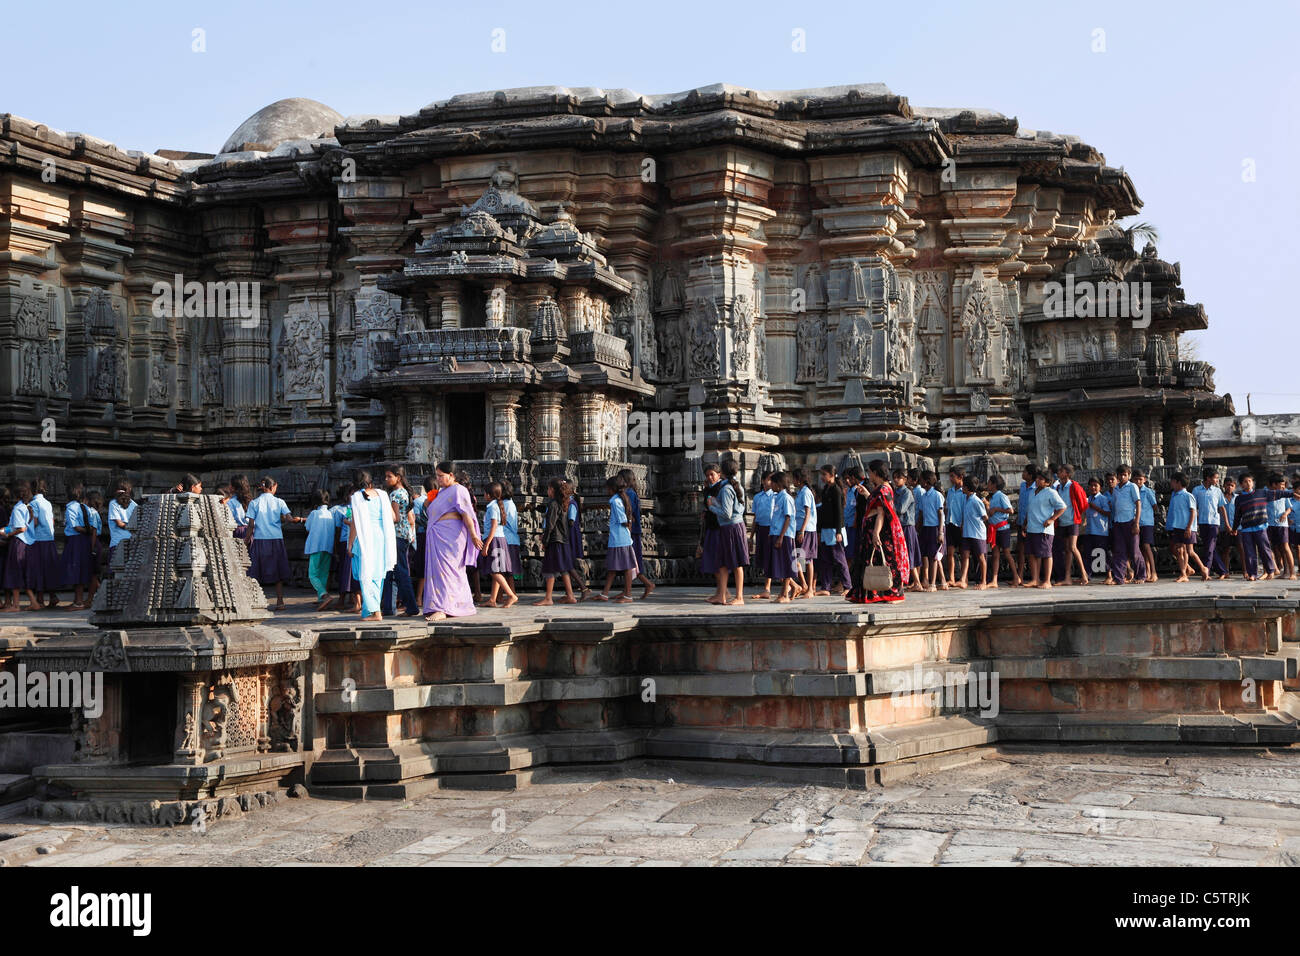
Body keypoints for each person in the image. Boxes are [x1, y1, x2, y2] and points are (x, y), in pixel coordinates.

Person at [424, 462, 482, 620]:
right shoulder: (442, 492)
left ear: (451, 475)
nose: (438, 479)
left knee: (450, 570)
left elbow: (467, 515)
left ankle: (445, 608)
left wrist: (474, 535)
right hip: (438, 533)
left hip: (452, 536)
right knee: (438, 571)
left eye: (441, 476)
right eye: (437, 476)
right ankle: (440, 605)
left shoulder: (459, 490)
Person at [846, 459, 909, 603]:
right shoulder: (880, 488)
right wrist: (867, 494)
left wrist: (875, 533)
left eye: (869, 472)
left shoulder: (884, 489)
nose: (868, 475)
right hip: (872, 530)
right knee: (872, 561)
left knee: (886, 561)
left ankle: (894, 593)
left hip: (880, 532)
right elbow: (876, 505)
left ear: (875, 473)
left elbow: (881, 513)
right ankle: (871, 592)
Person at [246, 476, 304, 610]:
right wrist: (300, 519)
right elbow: (289, 519)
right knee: (278, 570)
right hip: (276, 538)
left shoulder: (254, 503)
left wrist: (246, 540)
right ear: (272, 487)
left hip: (260, 539)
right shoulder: (279, 502)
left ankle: (256, 601)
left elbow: (250, 525)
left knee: (257, 570)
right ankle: (280, 601)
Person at [348, 471, 397, 621]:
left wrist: (350, 543)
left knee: (364, 574)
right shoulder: (382, 494)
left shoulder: (356, 497)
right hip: (381, 537)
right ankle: (370, 611)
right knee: (377, 575)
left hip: (365, 537)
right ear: (371, 483)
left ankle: (375, 612)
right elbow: (394, 517)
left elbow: (355, 523)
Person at [381, 466, 420, 616]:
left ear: (398, 477)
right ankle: (388, 608)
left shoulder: (395, 495)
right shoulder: (405, 492)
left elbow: (395, 518)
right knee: (391, 572)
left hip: (396, 535)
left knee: (401, 572)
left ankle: (412, 607)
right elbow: (410, 518)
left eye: (389, 476)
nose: (386, 479)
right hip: (404, 535)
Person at [596, 475, 638, 604]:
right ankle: (605, 593)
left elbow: (623, 519)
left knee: (626, 568)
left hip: (620, 539)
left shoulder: (615, 501)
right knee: (612, 568)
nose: (606, 491)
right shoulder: (620, 499)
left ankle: (628, 595)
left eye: (608, 489)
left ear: (612, 489)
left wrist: (627, 523)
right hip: (619, 538)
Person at [0, 481, 40, 612]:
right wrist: (4, 530)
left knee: (14, 572)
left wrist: (9, 534)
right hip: (28, 544)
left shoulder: (18, 508)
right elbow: (24, 524)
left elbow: (21, 528)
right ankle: (34, 602)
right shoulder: (27, 507)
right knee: (22, 573)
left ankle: (15, 605)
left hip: (18, 543)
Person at [478, 481, 519, 608]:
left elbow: (494, 526)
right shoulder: (496, 505)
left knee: (493, 570)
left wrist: (486, 545)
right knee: (496, 569)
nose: (483, 495)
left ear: (489, 495)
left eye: (485, 493)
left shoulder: (492, 507)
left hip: (494, 539)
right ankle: (492, 599)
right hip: (499, 539)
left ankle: (511, 595)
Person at [1023, 470, 1067, 589]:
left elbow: (1062, 507)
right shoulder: (1032, 492)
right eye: (1037, 478)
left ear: (1047, 482)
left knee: (1046, 554)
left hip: (1044, 529)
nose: (1037, 480)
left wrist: (1052, 519)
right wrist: (1025, 523)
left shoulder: (1051, 492)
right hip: (1032, 527)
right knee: (1032, 554)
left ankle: (1047, 580)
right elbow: (1030, 509)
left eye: (1041, 479)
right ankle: (1035, 579)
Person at [617, 468, 655, 599]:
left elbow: (629, 513)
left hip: (631, 531)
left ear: (625, 480)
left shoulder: (630, 494)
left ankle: (641, 586)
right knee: (629, 561)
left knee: (631, 561)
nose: (618, 481)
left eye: (620, 478)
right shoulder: (628, 493)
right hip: (630, 530)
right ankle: (629, 589)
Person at [538, 478, 576, 606]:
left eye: (548, 488)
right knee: (563, 568)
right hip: (563, 539)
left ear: (552, 490)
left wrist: (545, 540)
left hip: (555, 540)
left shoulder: (553, 504)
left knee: (550, 569)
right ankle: (570, 595)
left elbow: (550, 525)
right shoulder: (563, 502)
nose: (547, 491)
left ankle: (548, 598)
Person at [1165, 472, 1209, 582]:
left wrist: (1189, 527)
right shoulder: (1174, 496)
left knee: (1190, 551)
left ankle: (1203, 568)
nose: (1171, 484)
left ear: (1178, 482)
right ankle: (1183, 573)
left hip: (1187, 527)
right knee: (1180, 550)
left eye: (1173, 482)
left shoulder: (1188, 496)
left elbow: (1193, 512)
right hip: (1177, 526)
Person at [815, 465, 850, 596]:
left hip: (835, 529)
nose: (822, 478)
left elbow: (839, 512)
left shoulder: (836, 490)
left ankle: (847, 585)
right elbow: (823, 512)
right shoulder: (825, 490)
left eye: (824, 474)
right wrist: (819, 531)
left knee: (839, 559)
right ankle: (826, 586)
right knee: (825, 560)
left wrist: (838, 531)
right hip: (825, 529)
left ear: (831, 474)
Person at [1052, 464, 1090, 586]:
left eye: (1061, 471)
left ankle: (1084, 574)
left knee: (1073, 547)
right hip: (1063, 521)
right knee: (1067, 550)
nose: (1059, 472)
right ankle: (1067, 577)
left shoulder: (1074, 486)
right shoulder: (1058, 487)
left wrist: (1083, 518)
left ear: (1067, 474)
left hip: (1073, 521)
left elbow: (1083, 503)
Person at [62, 480, 97, 609]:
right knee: (80, 570)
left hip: (75, 541)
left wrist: (85, 531)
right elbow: (92, 526)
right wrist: (88, 532)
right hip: (84, 541)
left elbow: (75, 527)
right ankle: (78, 600)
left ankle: (79, 601)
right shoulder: (85, 507)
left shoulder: (70, 507)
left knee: (75, 570)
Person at [1108, 465, 1144, 585]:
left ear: (1129, 476)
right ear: (1117, 476)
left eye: (1125, 475)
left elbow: (1138, 504)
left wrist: (1137, 522)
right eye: (1120, 475)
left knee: (1134, 551)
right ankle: (1119, 578)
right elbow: (1113, 505)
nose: (1122, 477)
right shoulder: (1116, 489)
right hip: (1118, 522)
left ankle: (1141, 575)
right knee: (1119, 551)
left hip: (1130, 522)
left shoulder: (1132, 486)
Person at [766, 471, 798, 603]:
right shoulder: (777, 497)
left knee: (786, 564)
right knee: (779, 564)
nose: (770, 485)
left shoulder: (786, 498)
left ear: (778, 484)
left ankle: (785, 594)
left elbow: (788, 518)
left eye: (772, 482)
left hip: (784, 536)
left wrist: (780, 536)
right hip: (776, 533)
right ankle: (784, 592)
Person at [28, 479, 59, 609]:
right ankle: (53, 596)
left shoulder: (33, 503)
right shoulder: (47, 503)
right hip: (49, 539)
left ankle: (40, 599)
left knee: (39, 569)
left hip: (39, 540)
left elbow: (34, 522)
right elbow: (51, 521)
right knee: (49, 568)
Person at [303, 488, 336, 610]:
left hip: (316, 547)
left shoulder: (314, 513)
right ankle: (321, 598)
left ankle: (324, 594)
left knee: (312, 575)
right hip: (328, 547)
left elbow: (307, 527)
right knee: (323, 574)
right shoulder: (331, 514)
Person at [697, 463, 725, 599]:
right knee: (713, 561)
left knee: (718, 561)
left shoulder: (722, 488)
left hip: (719, 527)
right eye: (707, 475)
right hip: (711, 526)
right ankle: (721, 591)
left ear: (719, 475)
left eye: (712, 474)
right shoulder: (710, 488)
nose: (709, 477)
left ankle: (722, 592)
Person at [1193, 468, 1227, 578]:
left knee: (1209, 547)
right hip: (1202, 522)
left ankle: (1206, 569)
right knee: (1209, 548)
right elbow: (1194, 507)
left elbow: (1222, 508)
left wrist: (1227, 523)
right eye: (1215, 478)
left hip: (1214, 522)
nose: (1217, 480)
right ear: (1208, 478)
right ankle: (1222, 571)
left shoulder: (1217, 491)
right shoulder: (1197, 490)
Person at [916, 470, 947, 591]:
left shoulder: (937, 495)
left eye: (922, 480)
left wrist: (940, 532)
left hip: (935, 527)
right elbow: (921, 514)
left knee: (934, 556)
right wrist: (918, 529)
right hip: (926, 527)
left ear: (926, 481)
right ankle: (928, 580)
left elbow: (940, 513)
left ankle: (933, 583)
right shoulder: (924, 496)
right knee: (926, 555)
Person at [956, 475, 990, 589]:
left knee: (981, 557)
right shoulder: (966, 499)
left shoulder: (976, 501)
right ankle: (963, 579)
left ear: (967, 487)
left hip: (977, 533)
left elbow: (985, 517)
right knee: (965, 555)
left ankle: (984, 581)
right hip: (967, 532)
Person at [891, 469, 922, 592]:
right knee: (900, 555)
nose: (896, 480)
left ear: (904, 479)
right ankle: (906, 582)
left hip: (907, 526)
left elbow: (900, 509)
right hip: (899, 526)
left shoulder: (907, 493)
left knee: (908, 554)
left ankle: (917, 582)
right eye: (895, 477)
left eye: (899, 477)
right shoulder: (896, 492)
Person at [331, 482, 360, 613]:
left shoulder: (360, 508)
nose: (353, 496)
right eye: (351, 494)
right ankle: (344, 599)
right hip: (345, 542)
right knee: (344, 571)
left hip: (356, 542)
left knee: (354, 572)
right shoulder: (343, 509)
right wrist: (336, 547)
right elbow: (337, 530)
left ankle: (353, 601)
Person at [986, 474, 1019, 588]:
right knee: (995, 554)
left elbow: (1010, 510)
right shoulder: (993, 497)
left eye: (989, 483)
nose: (987, 485)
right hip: (994, 528)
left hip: (1002, 528)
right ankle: (994, 580)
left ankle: (1016, 577)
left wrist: (996, 509)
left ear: (994, 484)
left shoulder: (1001, 496)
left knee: (1006, 553)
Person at [456, 471, 483, 605]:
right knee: (472, 566)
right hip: (471, 529)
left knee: (464, 565)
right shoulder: (472, 497)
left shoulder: (464, 497)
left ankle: (467, 594)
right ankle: (476, 593)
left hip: (465, 530)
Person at [791, 468, 819, 599]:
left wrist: (802, 530)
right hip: (801, 527)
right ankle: (805, 586)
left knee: (804, 559)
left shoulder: (806, 492)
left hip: (806, 528)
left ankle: (808, 588)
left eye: (794, 478)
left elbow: (808, 513)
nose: (793, 481)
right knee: (802, 559)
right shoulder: (800, 492)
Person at [1082, 477, 1113, 586]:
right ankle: (1086, 576)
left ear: (1100, 487)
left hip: (1100, 530)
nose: (1093, 488)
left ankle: (1109, 575)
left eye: (1096, 485)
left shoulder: (1103, 499)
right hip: (1089, 530)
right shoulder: (1088, 498)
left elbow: (1108, 513)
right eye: (1091, 485)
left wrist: (1094, 507)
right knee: (1087, 554)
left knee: (1102, 553)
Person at [1267, 473, 1296, 580]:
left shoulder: (1285, 494)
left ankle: (1292, 572)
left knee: (1285, 547)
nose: (1283, 487)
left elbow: (1290, 507)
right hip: (1269, 524)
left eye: (1284, 484)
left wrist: (1285, 514)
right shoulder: (1266, 494)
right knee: (1270, 547)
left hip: (1281, 524)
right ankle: (1275, 569)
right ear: (1274, 485)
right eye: (1281, 484)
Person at [751, 471, 775, 599]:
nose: (770, 482)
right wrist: (751, 536)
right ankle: (767, 587)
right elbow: (755, 517)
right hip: (761, 529)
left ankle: (768, 587)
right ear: (763, 481)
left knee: (772, 557)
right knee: (764, 558)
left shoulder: (775, 496)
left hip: (772, 529)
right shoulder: (757, 497)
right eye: (769, 480)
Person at [1135, 470, 1159, 583]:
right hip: (1136, 522)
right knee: (1141, 548)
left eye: (1140, 479)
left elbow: (1155, 506)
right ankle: (1147, 572)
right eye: (1136, 479)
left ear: (1144, 479)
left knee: (1146, 546)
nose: (1138, 481)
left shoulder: (1148, 491)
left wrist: (1149, 515)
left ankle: (1154, 572)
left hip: (1147, 522)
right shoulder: (1132, 491)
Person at [944, 467, 966, 586]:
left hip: (960, 524)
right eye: (950, 476)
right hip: (950, 523)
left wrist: (963, 523)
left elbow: (965, 509)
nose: (950, 479)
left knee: (963, 553)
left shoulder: (964, 491)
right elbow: (947, 507)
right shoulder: (950, 491)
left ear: (960, 477)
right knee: (950, 552)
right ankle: (951, 578)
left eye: (953, 476)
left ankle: (963, 578)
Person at [229, 474, 252, 542]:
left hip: (238, 533)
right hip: (252, 532)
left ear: (233, 487)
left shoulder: (231, 502)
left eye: (230, 485)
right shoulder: (251, 501)